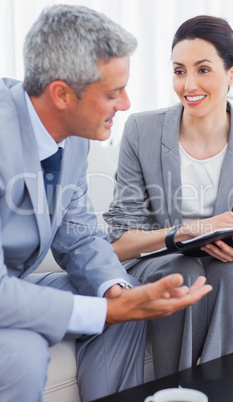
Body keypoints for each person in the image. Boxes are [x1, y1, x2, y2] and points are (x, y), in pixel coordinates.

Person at [0, 6, 214, 402]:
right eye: (114, 93)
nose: (127, 104)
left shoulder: (73, 133)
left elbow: (79, 236)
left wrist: (114, 294)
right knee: (23, 356)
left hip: (13, 284)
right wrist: (105, 312)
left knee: (125, 297)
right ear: (61, 94)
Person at [104, 15, 233, 378]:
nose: (188, 84)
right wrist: (189, 230)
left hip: (225, 265)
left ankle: (218, 392)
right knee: (182, 269)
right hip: (160, 260)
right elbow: (120, 239)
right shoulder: (141, 130)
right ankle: (175, 391)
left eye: (203, 69)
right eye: (179, 71)